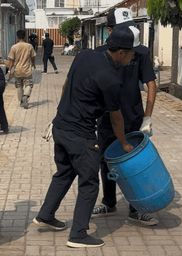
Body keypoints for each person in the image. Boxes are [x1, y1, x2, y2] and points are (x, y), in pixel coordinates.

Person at [33, 25, 148, 248]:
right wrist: (123, 143)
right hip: (81, 135)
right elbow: (116, 118)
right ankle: (78, 234)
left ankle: (45, 215)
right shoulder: (111, 78)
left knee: (64, 172)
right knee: (89, 183)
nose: (133, 57)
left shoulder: (85, 54)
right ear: (122, 52)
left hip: (60, 126)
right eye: (133, 53)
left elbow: (66, 85)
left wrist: (65, 111)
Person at [92, 8, 158, 226]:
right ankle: (109, 202)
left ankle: (135, 208)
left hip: (132, 118)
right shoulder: (99, 53)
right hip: (105, 117)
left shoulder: (140, 52)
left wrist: (147, 117)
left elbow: (150, 83)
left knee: (134, 164)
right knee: (106, 162)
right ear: (109, 31)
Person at [7, 30, 36, 109]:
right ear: (25, 37)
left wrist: (9, 70)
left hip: (17, 71)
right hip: (27, 70)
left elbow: (11, 61)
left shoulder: (14, 47)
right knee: (29, 84)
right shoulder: (29, 46)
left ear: (17, 38)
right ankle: (26, 96)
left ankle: (21, 102)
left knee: (19, 86)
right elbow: (33, 57)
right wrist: (33, 64)